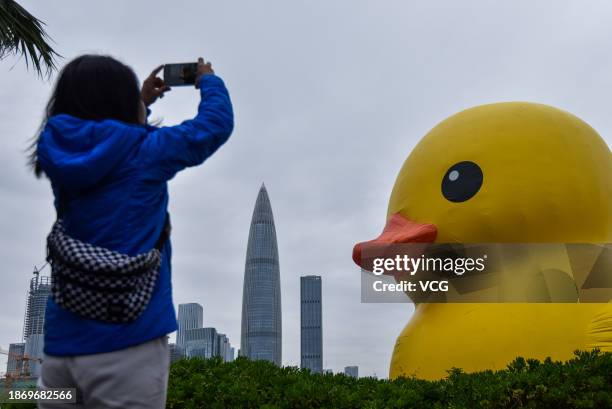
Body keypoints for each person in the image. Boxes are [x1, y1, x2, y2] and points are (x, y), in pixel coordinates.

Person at [31, 54, 234, 408]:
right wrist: (207, 80)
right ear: (122, 103)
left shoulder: (57, 149)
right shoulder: (146, 151)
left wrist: (139, 103)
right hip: (128, 348)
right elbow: (214, 126)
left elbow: (102, 143)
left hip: (60, 354)